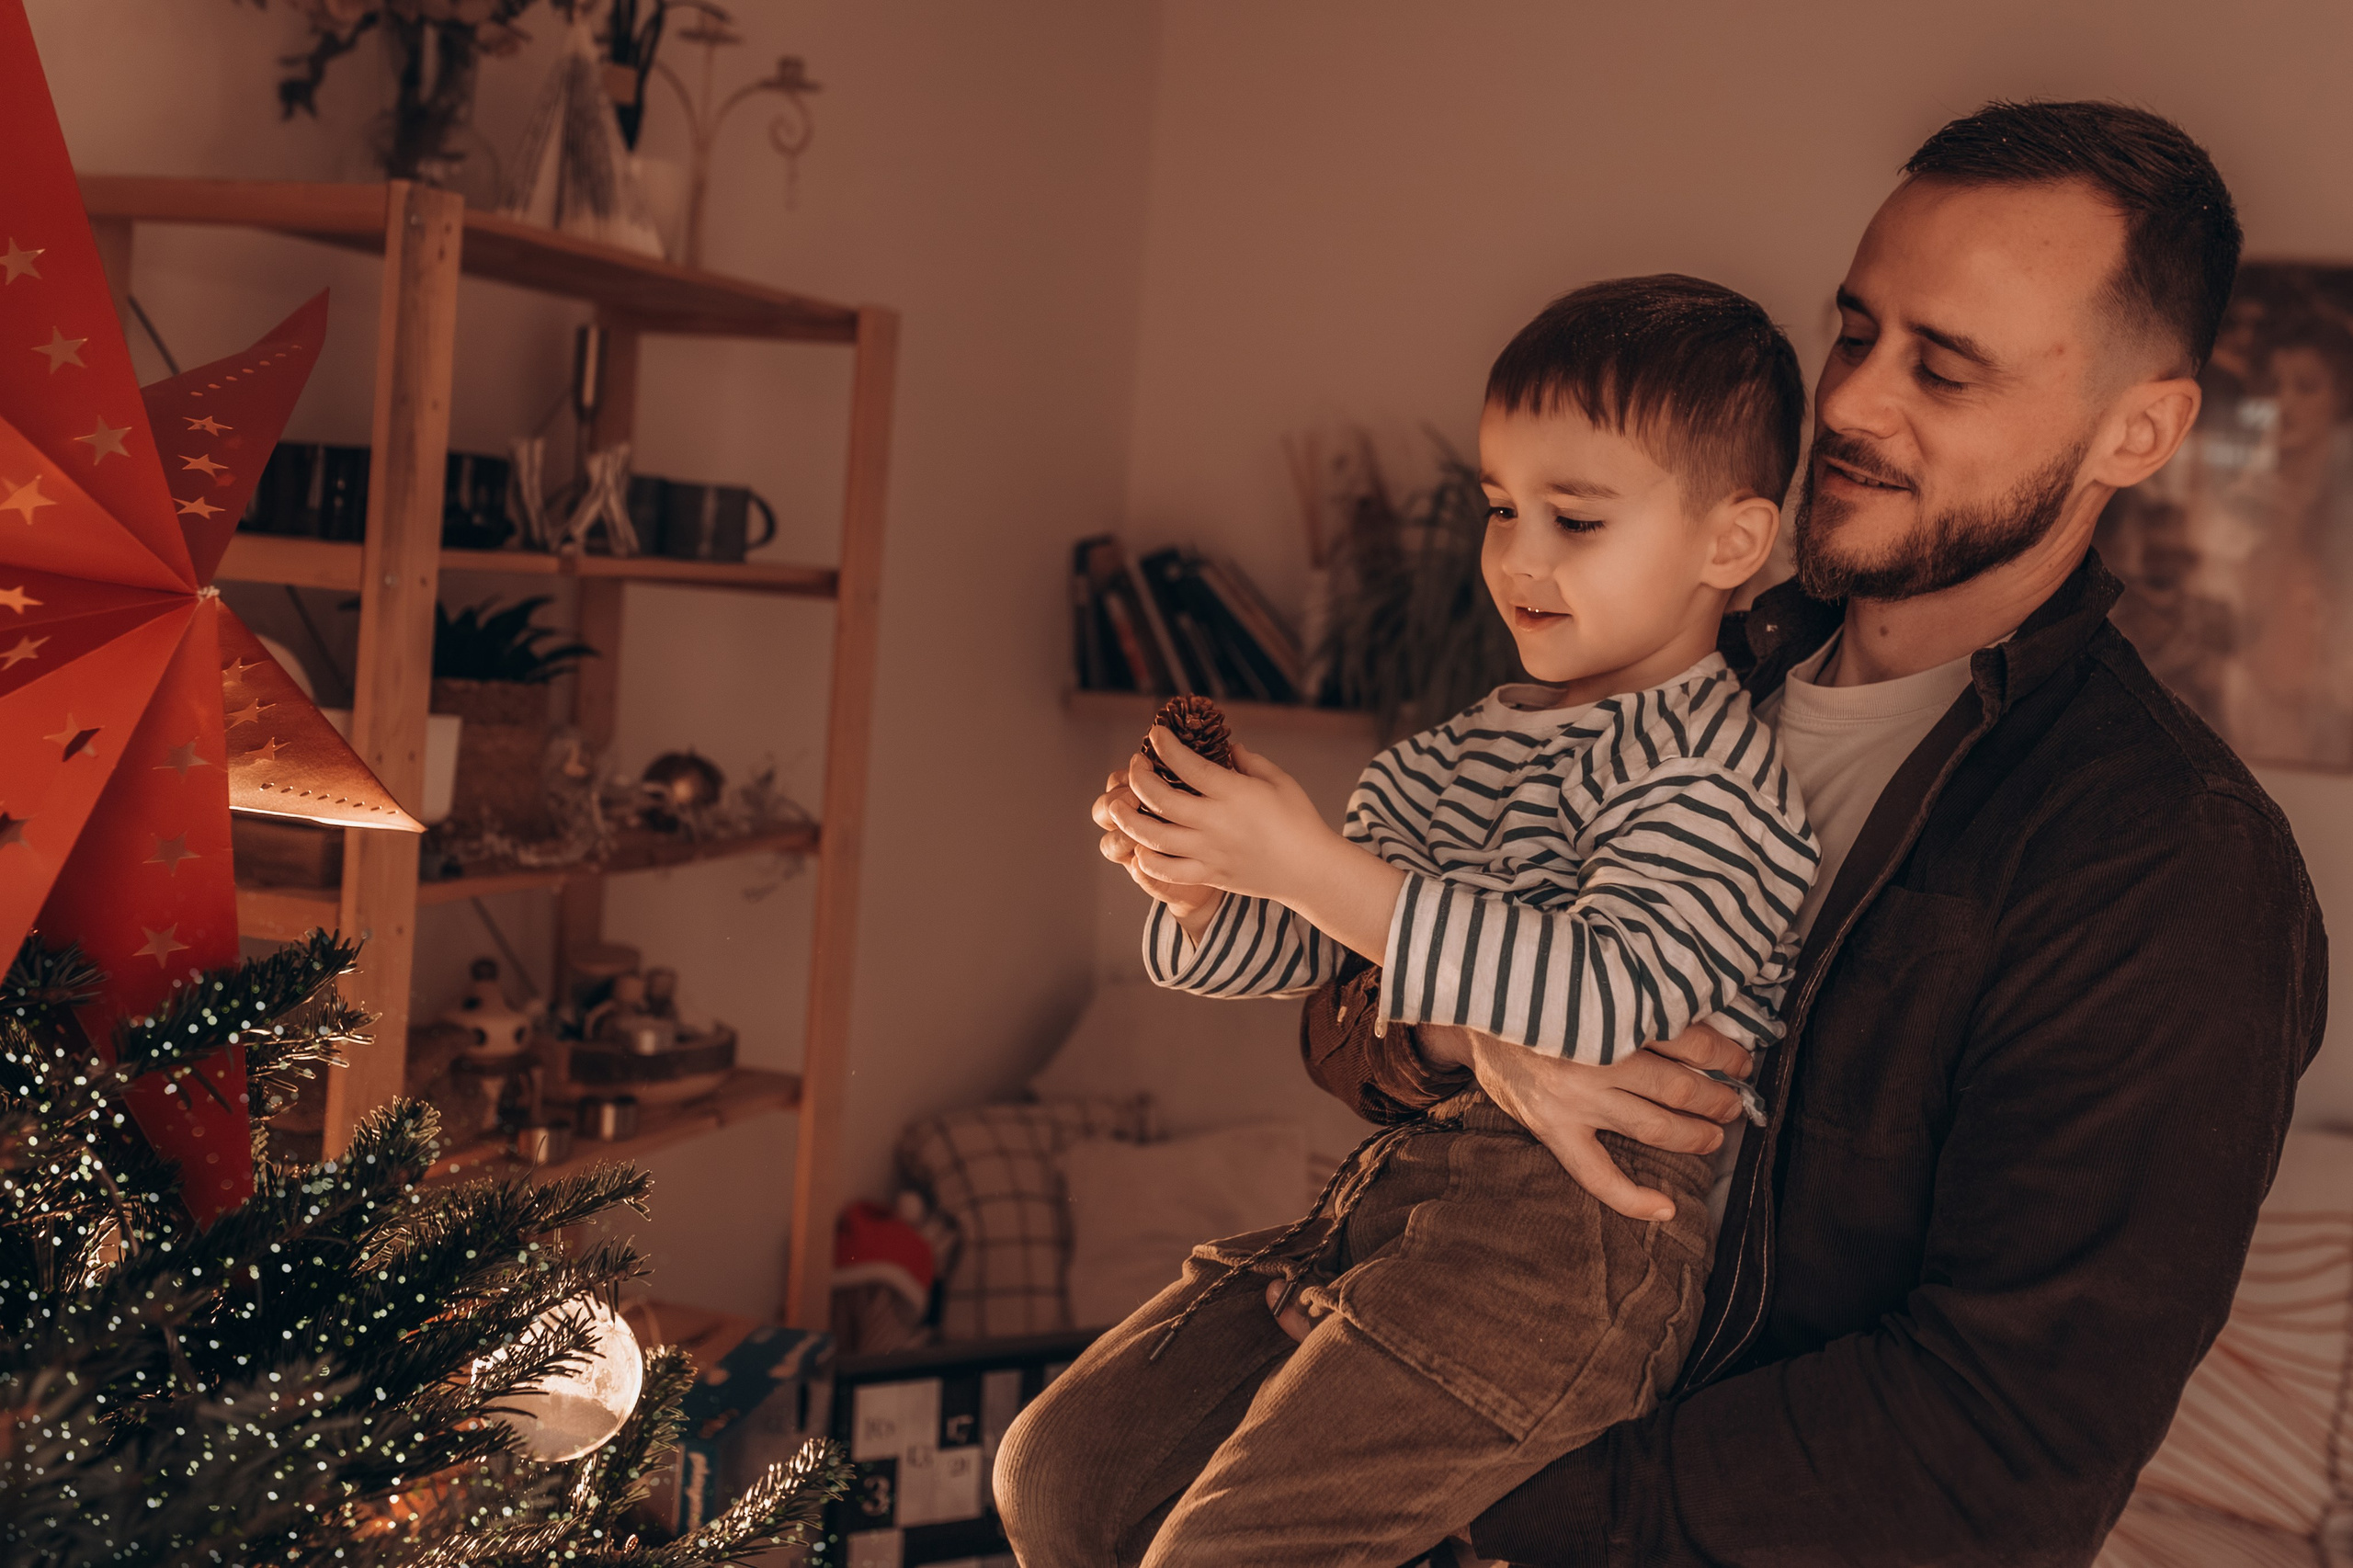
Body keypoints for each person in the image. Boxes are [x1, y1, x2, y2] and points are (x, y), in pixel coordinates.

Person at [1328, 100, 2329, 1566]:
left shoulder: (2171, 867)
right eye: (1856, 330)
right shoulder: (1667, 670)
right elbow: (1345, 1021)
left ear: (2142, 429)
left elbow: (1996, 1449)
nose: (1852, 403)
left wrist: (1473, 1523)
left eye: (1947, 365)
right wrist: (1466, 1036)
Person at [997, 275, 1820, 1565]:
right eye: (1502, 508)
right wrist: (1210, 883)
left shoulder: (1713, 779)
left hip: (1571, 1256)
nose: (1520, 556)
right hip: (1395, 1201)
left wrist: (1308, 861)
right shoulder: (1453, 755)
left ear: (1732, 543)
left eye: (1576, 517)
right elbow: (1338, 959)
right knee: (1059, 1471)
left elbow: (1602, 998)